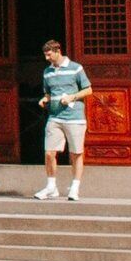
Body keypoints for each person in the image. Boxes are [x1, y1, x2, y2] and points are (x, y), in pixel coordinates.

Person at [32, 38, 92, 201]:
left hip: (74, 118)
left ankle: (75, 187)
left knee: (76, 153)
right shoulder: (47, 72)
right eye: (45, 55)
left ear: (58, 51)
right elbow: (48, 93)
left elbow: (88, 90)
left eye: (49, 54)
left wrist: (72, 96)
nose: (47, 58)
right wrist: (45, 99)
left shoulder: (75, 68)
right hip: (55, 117)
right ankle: (51, 187)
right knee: (49, 152)